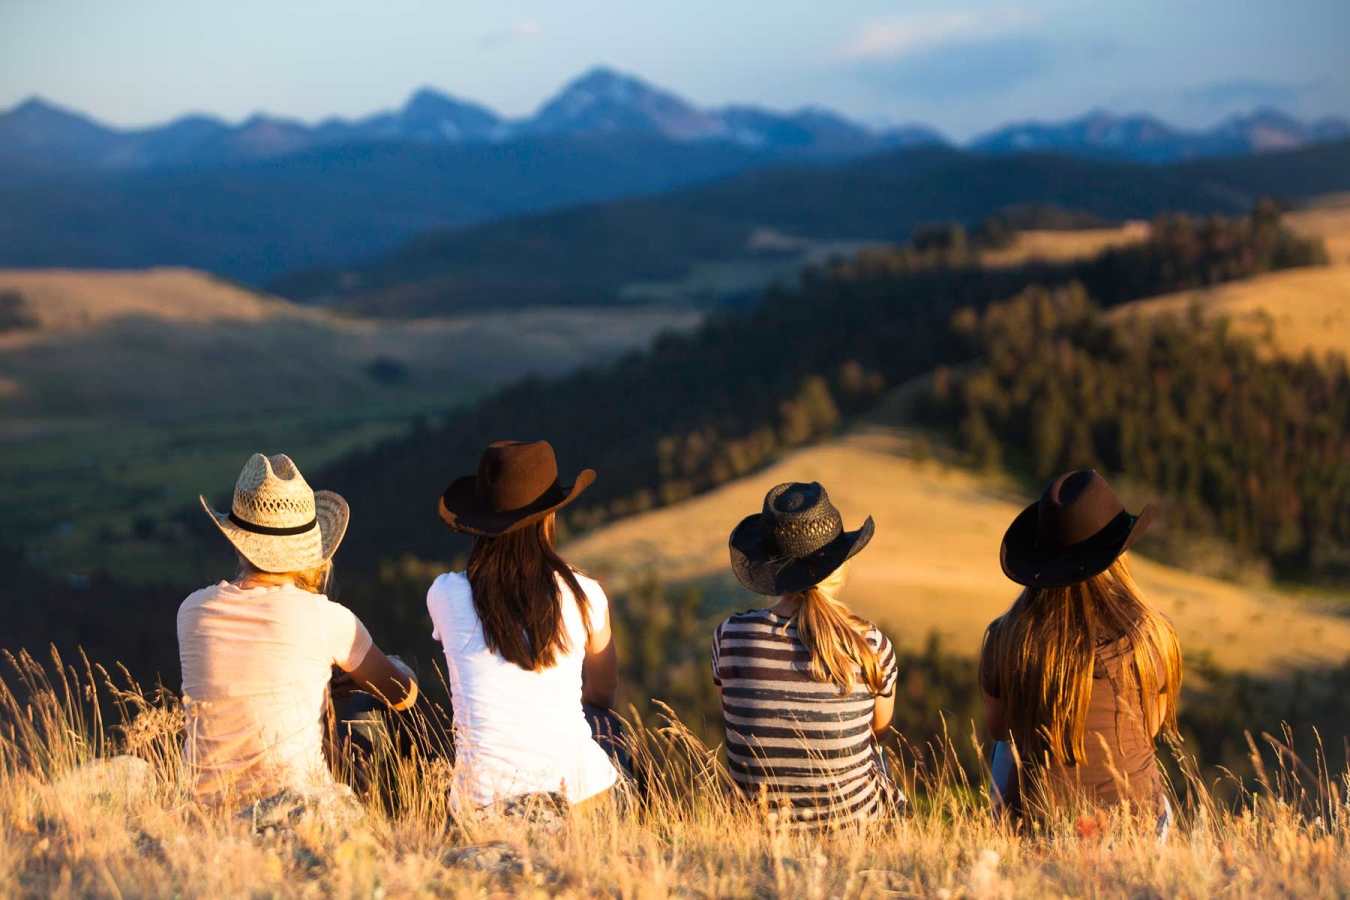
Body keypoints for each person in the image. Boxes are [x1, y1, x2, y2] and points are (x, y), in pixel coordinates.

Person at [179, 453, 417, 802]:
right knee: (365, 719)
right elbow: (401, 694)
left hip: (206, 808)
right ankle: (396, 809)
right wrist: (396, 668)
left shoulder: (192, 610)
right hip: (296, 806)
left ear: (238, 540)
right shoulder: (329, 619)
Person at [427, 440, 625, 814]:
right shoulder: (585, 595)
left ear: (480, 522)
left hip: (481, 804)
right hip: (578, 795)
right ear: (549, 517)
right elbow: (603, 692)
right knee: (610, 731)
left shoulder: (445, 594)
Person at [980, 469, 1182, 830]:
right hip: (1137, 826)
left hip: (1040, 825)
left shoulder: (1008, 636)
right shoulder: (1152, 634)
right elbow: (1149, 727)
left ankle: (1005, 827)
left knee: (1004, 750)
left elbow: (1000, 727)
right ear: (1118, 555)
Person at [712, 481, 899, 830]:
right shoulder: (871, 645)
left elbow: (733, 716)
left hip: (752, 828)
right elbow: (877, 732)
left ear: (771, 566)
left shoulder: (730, 636)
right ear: (840, 564)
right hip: (852, 832)